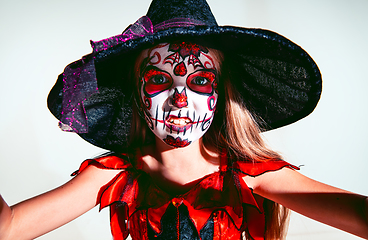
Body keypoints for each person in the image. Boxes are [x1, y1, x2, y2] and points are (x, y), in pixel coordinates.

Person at [0, 0, 367, 239]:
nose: (180, 97)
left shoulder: (250, 173)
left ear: (221, 93)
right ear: (136, 90)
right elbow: (10, 227)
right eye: (160, 80)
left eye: (199, 81)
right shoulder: (114, 173)